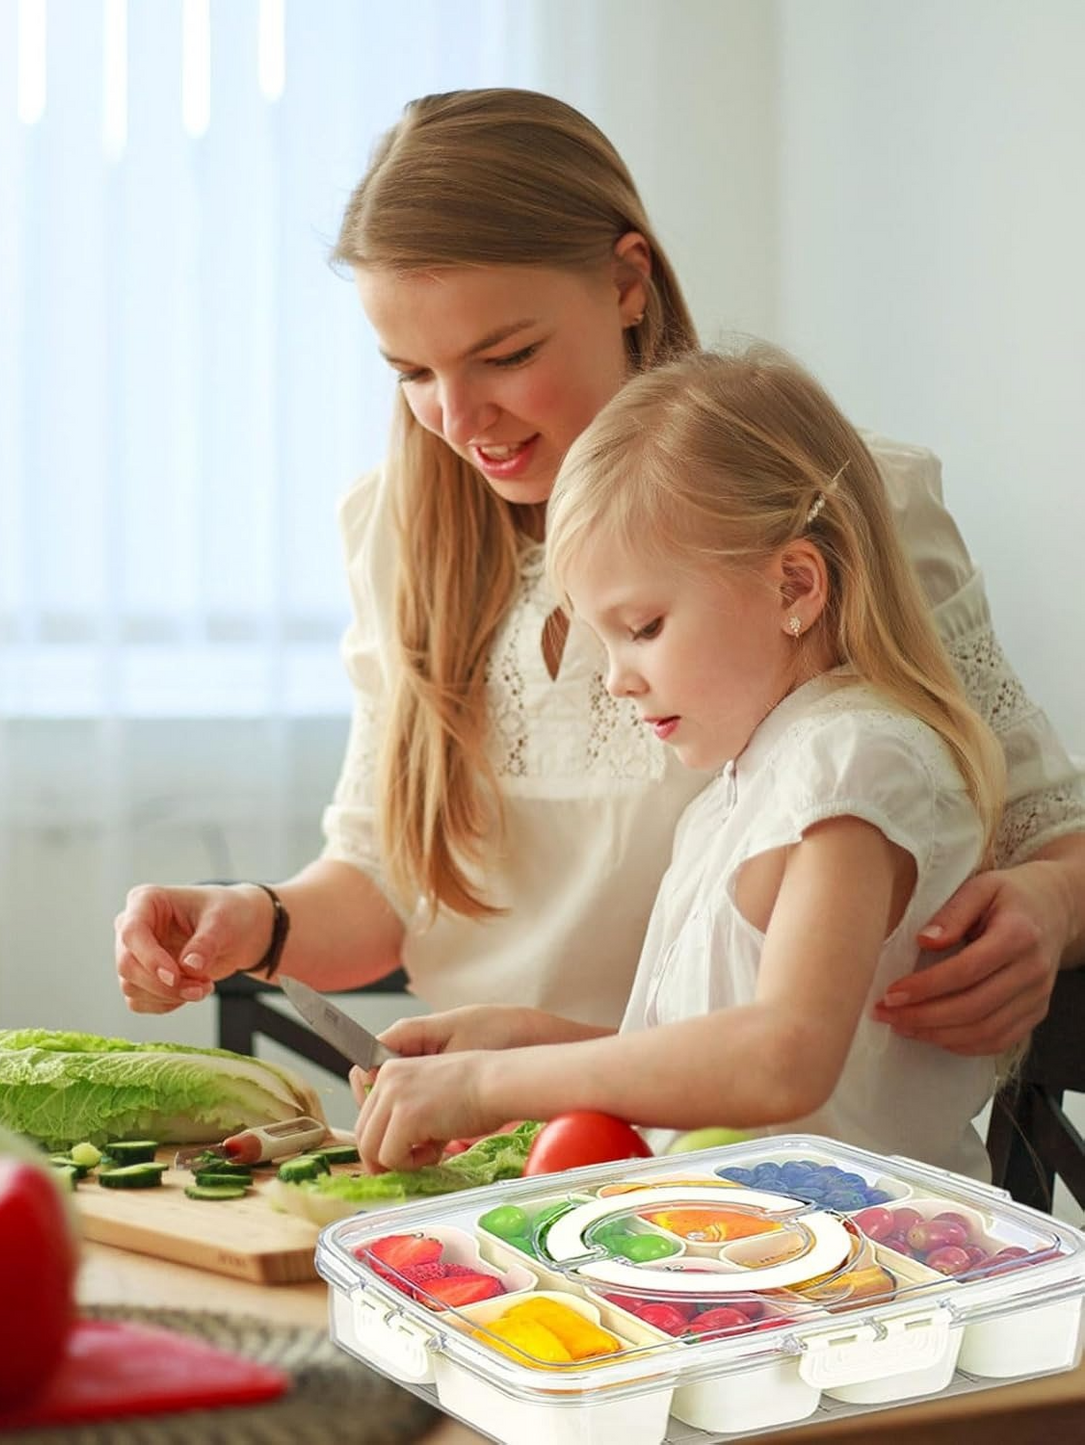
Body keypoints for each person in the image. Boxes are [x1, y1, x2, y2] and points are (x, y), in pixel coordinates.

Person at [115, 88, 1085, 1062]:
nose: (455, 420)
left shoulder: (833, 502)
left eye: (503, 355)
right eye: (409, 373)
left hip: (733, 1158)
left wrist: (1046, 902)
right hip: (491, 1140)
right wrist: (256, 918)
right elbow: (386, 881)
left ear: (627, 282)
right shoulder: (392, 530)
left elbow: (1049, 827)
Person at [351, 344, 1005, 1178]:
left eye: (644, 627)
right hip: (750, 1256)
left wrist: (491, 1081)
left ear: (794, 587)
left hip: (862, 1272)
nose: (618, 679)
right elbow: (707, 1069)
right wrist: (522, 1038)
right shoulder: (746, 787)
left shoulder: (852, 766)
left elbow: (782, 1059)